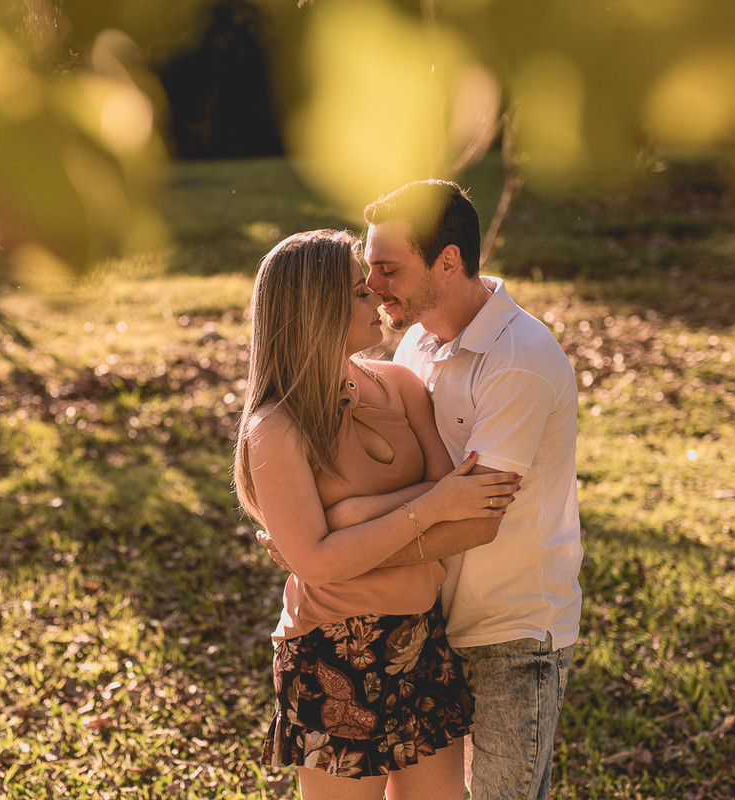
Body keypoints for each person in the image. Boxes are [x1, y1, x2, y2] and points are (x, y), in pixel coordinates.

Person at [233, 229, 524, 800]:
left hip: (422, 637)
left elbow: (457, 499)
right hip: (333, 652)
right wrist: (427, 507)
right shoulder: (275, 428)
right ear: (317, 308)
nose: (377, 295)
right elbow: (319, 564)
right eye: (358, 291)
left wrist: (352, 516)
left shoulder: (400, 383)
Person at [363, 179, 583, 800]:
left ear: (448, 262)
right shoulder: (415, 342)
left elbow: (477, 518)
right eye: (370, 268)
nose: (373, 285)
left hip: (513, 632)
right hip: (433, 622)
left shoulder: (518, 356)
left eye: (387, 268)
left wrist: (339, 555)